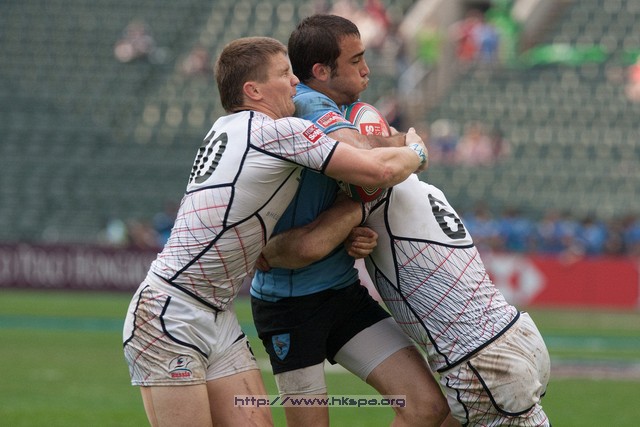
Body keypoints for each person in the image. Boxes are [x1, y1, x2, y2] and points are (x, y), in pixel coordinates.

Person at [122, 36, 428, 427]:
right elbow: (378, 170)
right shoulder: (275, 132)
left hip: (217, 312)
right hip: (169, 310)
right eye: (284, 74)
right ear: (253, 91)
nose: (296, 82)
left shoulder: (226, 127)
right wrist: (416, 150)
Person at [251, 15, 456, 427]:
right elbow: (366, 158)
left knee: (429, 409)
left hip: (340, 291)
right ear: (321, 71)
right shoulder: (307, 103)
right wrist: (411, 148)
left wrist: (352, 229)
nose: (367, 69)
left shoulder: (345, 109)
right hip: (288, 304)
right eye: (356, 60)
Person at [261, 143, 552, 425]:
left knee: (430, 408)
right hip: (518, 335)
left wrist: (259, 251)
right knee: (427, 410)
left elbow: (308, 245)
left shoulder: (371, 192)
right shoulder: (426, 189)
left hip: (481, 360)